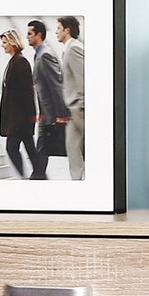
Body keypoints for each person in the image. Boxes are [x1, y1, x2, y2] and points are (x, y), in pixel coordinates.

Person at [26, 19, 68, 179]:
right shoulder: (39, 54)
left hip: (50, 115)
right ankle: (38, 177)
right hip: (46, 115)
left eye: (30, 33)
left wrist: (60, 115)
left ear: (39, 35)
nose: (27, 36)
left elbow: (56, 86)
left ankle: (37, 178)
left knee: (43, 151)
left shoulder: (45, 55)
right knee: (42, 151)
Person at [0, 29, 37, 178]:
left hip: (19, 119)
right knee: (30, 149)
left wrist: (24, 118)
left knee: (12, 148)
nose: (2, 45)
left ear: (13, 43)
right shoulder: (14, 61)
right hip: (18, 118)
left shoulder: (20, 62)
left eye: (4, 42)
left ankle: (25, 177)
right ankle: (39, 175)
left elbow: (26, 94)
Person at [57, 15, 85, 182]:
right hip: (73, 109)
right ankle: (77, 182)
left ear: (67, 30)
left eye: (58, 28)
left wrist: (82, 105)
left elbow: (82, 78)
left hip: (79, 109)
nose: (56, 32)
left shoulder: (74, 48)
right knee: (72, 148)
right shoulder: (69, 48)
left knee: (87, 147)